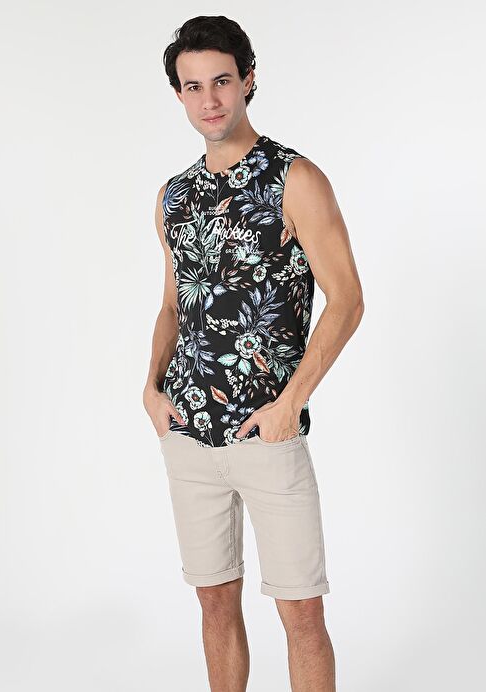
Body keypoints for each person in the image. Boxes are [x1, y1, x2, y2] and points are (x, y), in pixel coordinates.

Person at [143, 15, 364, 692]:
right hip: (187, 431)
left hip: (267, 431)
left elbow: (347, 299)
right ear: (178, 95)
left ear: (248, 81)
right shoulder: (173, 196)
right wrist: (150, 388)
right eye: (192, 86)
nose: (208, 99)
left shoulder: (295, 179)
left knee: (301, 613)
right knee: (213, 602)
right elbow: (173, 305)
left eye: (221, 81)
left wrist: (290, 404)